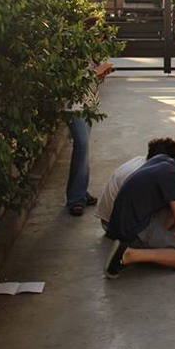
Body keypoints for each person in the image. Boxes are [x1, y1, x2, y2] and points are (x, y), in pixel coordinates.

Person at [103, 147, 175, 278]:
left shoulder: (163, 160)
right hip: (134, 229)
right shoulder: (174, 176)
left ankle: (152, 241)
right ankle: (129, 254)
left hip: (120, 223)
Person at [65, 17, 114, 216]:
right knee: (82, 146)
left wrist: (101, 74)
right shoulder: (74, 51)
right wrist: (96, 73)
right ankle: (76, 198)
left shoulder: (92, 54)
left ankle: (80, 193)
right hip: (74, 106)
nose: (100, 40)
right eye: (98, 36)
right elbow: (73, 80)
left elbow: (92, 83)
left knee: (83, 151)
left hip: (88, 107)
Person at [97, 137, 175, 231]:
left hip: (107, 222)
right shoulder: (152, 174)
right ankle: (156, 235)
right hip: (120, 228)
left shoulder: (139, 160)